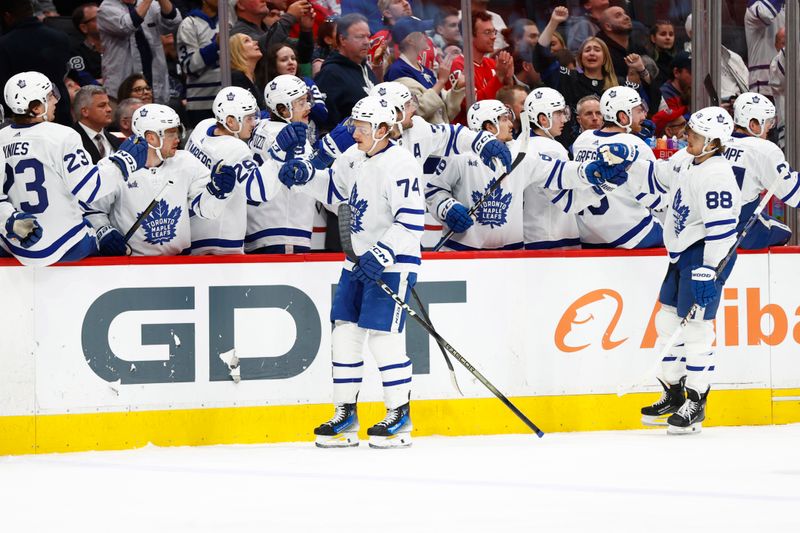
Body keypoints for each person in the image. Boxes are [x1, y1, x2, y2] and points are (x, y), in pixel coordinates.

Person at [279, 96, 425, 448]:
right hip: (356, 262)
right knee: (344, 333)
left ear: (383, 129)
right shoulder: (354, 158)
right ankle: (345, 414)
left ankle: (399, 415)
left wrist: (382, 253)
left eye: (361, 127)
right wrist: (304, 177)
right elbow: (334, 190)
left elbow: (412, 221)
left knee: (383, 338)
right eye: (355, 125)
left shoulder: (402, 164)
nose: (354, 132)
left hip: (392, 264)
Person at [631, 107, 740, 434]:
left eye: (695, 133)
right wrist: (627, 159)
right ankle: (674, 394)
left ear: (713, 142)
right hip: (682, 253)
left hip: (704, 257)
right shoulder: (687, 159)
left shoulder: (718, 175)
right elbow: (659, 173)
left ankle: (697, 401)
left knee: (696, 330)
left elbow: (721, 232)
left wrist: (711, 271)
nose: (686, 136)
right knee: (666, 321)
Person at [426, 97, 629, 251]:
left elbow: (557, 172)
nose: (510, 124)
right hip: (463, 251)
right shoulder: (459, 155)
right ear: (489, 126)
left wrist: (588, 171)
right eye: (504, 119)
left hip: (511, 254)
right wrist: (447, 208)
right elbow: (434, 189)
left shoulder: (521, 155)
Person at [0, 71, 144, 266]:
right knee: (105, 237)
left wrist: (9, 220)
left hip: (16, 244)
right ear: (35, 107)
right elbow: (90, 189)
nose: (55, 101)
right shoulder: (62, 136)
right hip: (65, 244)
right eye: (49, 97)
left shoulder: (2, 139)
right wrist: (123, 162)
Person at [83, 104, 237, 256]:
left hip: (179, 263)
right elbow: (91, 210)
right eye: (171, 133)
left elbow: (205, 211)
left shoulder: (187, 162)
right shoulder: (115, 168)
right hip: (132, 266)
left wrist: (217, 193)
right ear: (151, 137)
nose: (177, 138)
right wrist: (103, 231)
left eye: (177, 132)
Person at [185, 86, 276, 254]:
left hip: (191, 236)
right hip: (221, 246)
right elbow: (260, 191)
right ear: (231, 121)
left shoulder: (202, 128)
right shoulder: (236, 148)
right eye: (249, 118)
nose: (254, 123)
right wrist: (278, 156)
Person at [570, 86, 664, 249]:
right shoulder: (636, 145)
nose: (643, 115)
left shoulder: (582, 140)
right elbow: (657, 199)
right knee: (678, 231)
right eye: (637, 110)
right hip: (631, 234)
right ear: (623, 116)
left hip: (589, 236)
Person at [245, 74, 317, 254]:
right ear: (283, 110)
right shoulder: (293, 139)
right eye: (301, 103)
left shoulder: (260, 127)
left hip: (256, 231)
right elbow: (312, 180)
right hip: (284, 234)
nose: (308, 107)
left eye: (307, 100)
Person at [722, 93, 800, 248]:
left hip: (708, 226)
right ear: (753, 125)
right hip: (739, 230)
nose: (770, 129)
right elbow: (794, 194)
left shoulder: (718, 141)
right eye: (768, 123)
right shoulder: (764, 150)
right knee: (784, 232)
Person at [521, 87, 580, 250]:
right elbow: (568, 197)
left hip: (532, 235)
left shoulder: (520, 144)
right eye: (558, 113)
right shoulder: (552, 148)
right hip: (556, 237)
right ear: (543, 119)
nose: (564, 120)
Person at [0, 0, 73, 126]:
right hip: (58, 110)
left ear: (7, 16)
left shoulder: (4, 45)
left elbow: (3, 86)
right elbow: (66, 73)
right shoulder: (60, 37)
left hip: (23, 118)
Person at [98, 0, 182, 106]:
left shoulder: (152, 5)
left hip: (155, 85)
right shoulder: (106, 8)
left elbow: (173, 23)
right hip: (121, 91)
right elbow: (127, 26)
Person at [445, 10, 513, 125]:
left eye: (494, 32)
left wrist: (508, 80)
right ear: (469, 36)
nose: (493, 37)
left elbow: (507, 103)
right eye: (487, 32)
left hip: (496, 130)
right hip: (469, 135)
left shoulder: (492, 63)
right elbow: (475, 107)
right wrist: (499, 76)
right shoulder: (459, 66)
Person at [384, 17, 452, 124]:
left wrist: (459, 87)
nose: (427, 36)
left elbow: (444, 110)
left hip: (439, 134)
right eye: (422, 32)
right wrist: (441, 81)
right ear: (411, 40)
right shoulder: (398, 71)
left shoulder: (425, 70)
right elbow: (418, 110)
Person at [315, 13, 378, 131]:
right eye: (360, 37)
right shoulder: (330, 74)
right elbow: (326, 124)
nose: (366, 42)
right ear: (342, 39)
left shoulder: (364, 67)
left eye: (368, 36)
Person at [265, 43, 328, 138]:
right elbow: (267, 118)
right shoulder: (269, 89)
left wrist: (306, 98)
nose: (291, 62)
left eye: (293, 58)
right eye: (284, 60)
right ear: (273, 65)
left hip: (311, 143)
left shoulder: (307, 83)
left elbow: (323, 115)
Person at [177, 0, 221, 127]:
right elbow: (188, 65)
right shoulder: (189, 24)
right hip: (201, 104)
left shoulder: (228, 20)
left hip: (228, 98)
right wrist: (215, 46)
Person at [71, 85, 121, 164]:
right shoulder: (70, 140)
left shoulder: (115, 140)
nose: (109, 109)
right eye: (102, 105)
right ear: (85, 111)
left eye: (108, 104)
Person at [744, 0, 784, 96]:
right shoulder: (754, 7)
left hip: (789, 87)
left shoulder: (790, 7)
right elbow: (765, 13)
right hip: (765, 90)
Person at [68, 2, 104, 86]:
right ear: (84, 28)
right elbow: (84, 80)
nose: (105, 20)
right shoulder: (75, 52)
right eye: (98, 18)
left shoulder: (118, 45)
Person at [229, 33, 265, 111]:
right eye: (247, 41)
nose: (256, 42)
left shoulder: (255, 77)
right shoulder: (237, 77)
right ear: (237, 51)